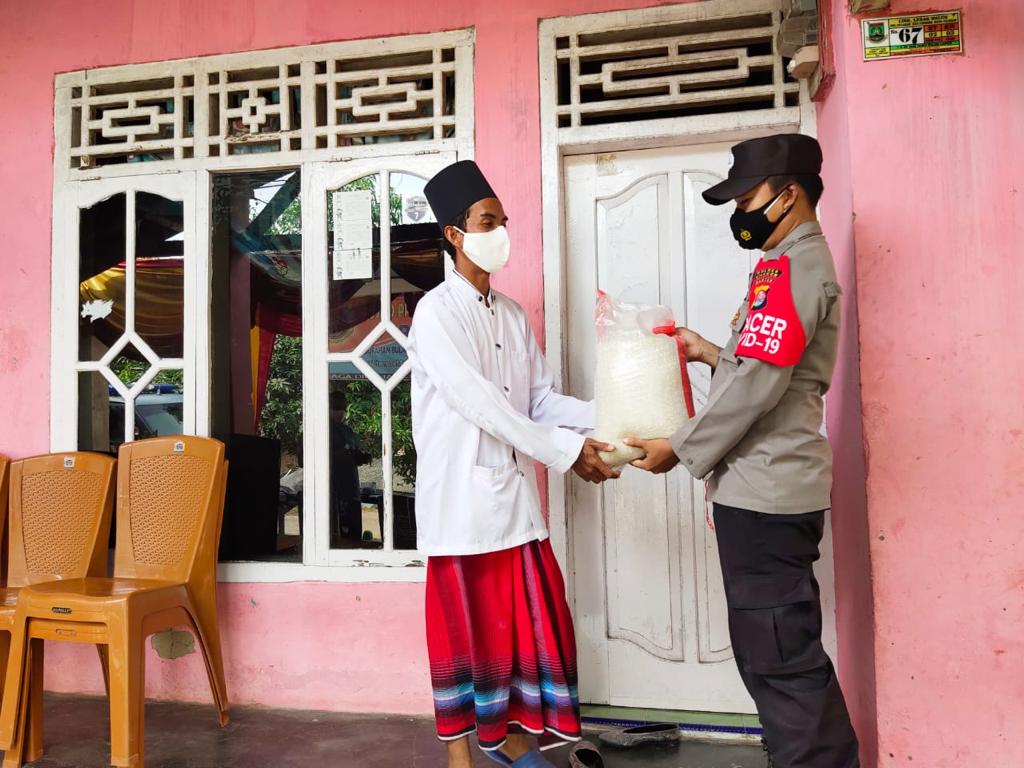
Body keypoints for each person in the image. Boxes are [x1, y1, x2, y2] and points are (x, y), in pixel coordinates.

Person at [626, 135, 860, 768]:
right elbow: (763, 365)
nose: (740, 212)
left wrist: (679, 447)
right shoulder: (786, 262)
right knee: (772, 653)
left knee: (781, 656)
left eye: (748, 197)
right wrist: (710, 352)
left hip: (767, 493)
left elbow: (759, 385)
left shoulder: (792, 267)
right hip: (763, 487)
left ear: (788, 195)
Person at [408, 160, 617, 768]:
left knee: (524, 631)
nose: (500, 231)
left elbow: (538, 401)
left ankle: (514, 743)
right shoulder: (436, 313)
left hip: (513, 500)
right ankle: (461, 758)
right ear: (454, 233)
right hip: (460, 505)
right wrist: (566, 451)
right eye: (486, 221)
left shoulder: (515, 314)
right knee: (463, 636)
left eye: (503, 220)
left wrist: (613, 416)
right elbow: (478, 403)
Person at [328, 389, 370, 545]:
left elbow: (354, 455)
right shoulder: (322, 430)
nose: (340, 412)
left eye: (343, 408)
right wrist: (343, 454)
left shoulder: (348, 431)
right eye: (336, 408)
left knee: (354, 537)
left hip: (351, 490)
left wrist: (361, 457)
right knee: (338, 537)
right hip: (334, 491)